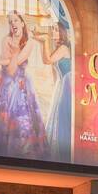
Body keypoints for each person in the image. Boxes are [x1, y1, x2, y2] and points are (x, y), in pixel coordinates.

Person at [0, 13, 50, 158]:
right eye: (10, 21)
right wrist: (1, 59)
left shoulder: (29, 42)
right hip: (4, 80)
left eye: (16, 20)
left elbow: (16, 62)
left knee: (21, 118)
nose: (13, 23)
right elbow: (6, 61)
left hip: (21, 82)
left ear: (22, 23)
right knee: (0, 115)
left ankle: (20, 151)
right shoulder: (5, 39)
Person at [41, 25, 73, 160]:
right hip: (61, 86)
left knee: (62, 119)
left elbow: (47, 60)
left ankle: (63, 154)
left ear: (62, 32)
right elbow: (47, 61)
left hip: (67, 86)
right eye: (52, 29)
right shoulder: (60, 48)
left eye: (55, 29)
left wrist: (44, 41)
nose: (52, 31)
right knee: (57, 118)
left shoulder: (64, 48)